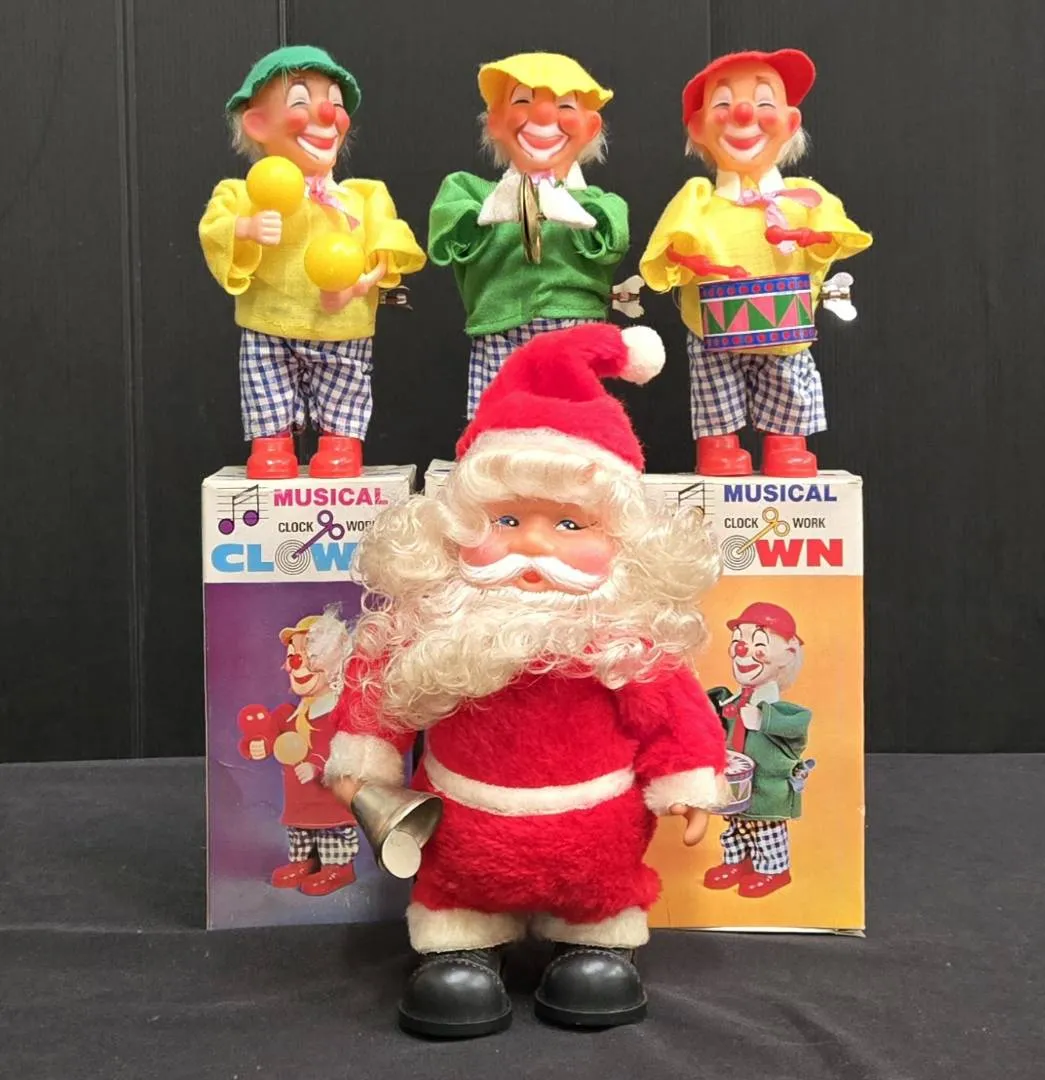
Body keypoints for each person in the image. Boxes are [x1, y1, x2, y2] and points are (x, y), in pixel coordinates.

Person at [325, 323, 728, 1037]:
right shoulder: (432, 623)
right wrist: (363, 765)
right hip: (463, 838)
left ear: (621, 541)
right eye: (506, 520)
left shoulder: (626, 635)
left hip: (596, 838)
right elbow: (379, 698)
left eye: (570, 525)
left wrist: (689, 785)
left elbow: (673, 712)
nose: (534, 545)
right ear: (455, 529)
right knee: (455, 923)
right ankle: (462, 947)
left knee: (598, 930)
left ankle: (593, 945)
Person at [640, 49, 871, 476]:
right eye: (723, 104)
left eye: (764, 102)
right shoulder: (697, 200)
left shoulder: (807, 199)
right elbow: (668, 253)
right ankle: (718, 445)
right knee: (715, 386)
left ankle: (786, 444)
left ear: (790, 122)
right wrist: (691, 261)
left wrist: (809, 236)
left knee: (788, 380)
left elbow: (834, 240)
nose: (743, 113)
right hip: (714, 328)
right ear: (698, 127)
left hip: (785, 327)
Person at [200, 45, 425, 478]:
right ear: (257, 123)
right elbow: (214, 230)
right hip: (269, 324)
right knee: (266, 389)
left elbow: (385, 253)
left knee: (344, 388)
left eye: (335, 104)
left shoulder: (364, 198)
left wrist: (359, 285)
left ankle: (341, 446)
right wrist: (245, 227)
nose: (326, 114)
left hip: (342, 327)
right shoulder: (242, 194)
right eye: (301, 101)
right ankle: (271, 447)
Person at [428, 52, 630, 419]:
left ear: (591, 127)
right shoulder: (469, 193)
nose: (543, 115)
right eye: (522, 100)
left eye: (565, 104)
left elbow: (612, 241)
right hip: (499, 330)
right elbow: (450, 233)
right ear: (494, 120)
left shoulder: (602, 203)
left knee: (573, 424)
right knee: (499, 423)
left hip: (574, 329)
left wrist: (577, 212)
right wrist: (491, 211)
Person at [236, 613, 358, 896]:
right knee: (300, 833)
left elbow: (347, 751)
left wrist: (317, 766)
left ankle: (339, 868)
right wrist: (256, 745)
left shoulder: (340, 715)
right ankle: (305, 861)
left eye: (308, 656)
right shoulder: (289, 714)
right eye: (293, 657)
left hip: (331, 802)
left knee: (331, 834)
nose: (296, 665)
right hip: (299, 803)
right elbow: (265, 733)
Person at [706, 602, 812, 898]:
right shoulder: (730, 702)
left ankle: (774, 870)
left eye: (759, 644)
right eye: (738, 641)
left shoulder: (782, 712)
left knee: (766, 828)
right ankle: (737, 861)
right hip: (736, 786)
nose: (743, 650)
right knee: (735, 825)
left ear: (787, 654)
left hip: (768, 788)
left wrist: (764, 719)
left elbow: (798, 726)